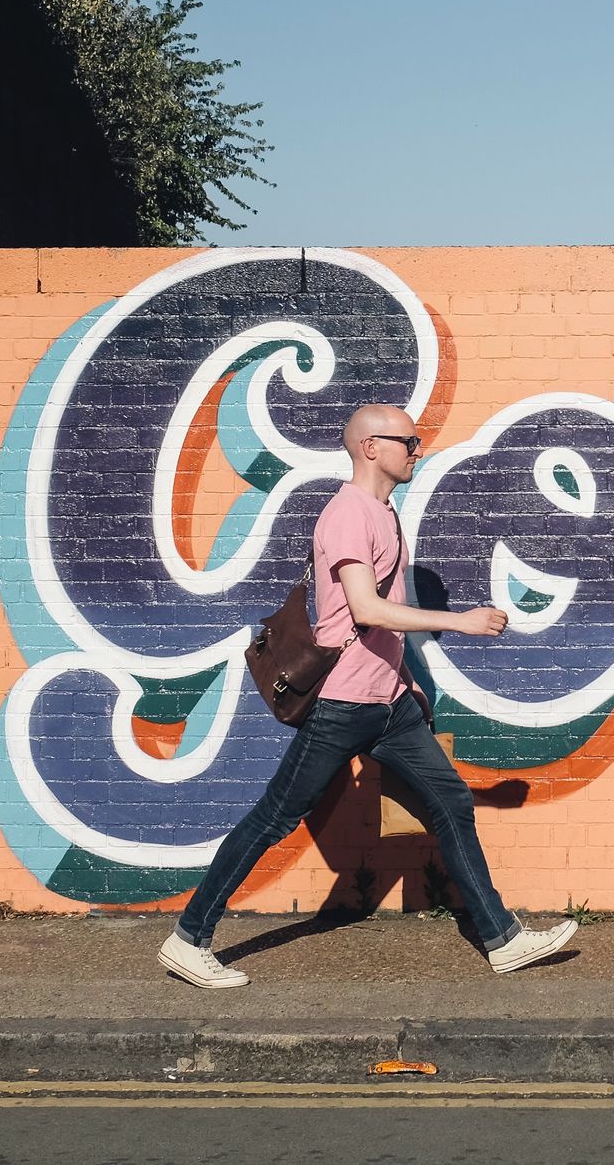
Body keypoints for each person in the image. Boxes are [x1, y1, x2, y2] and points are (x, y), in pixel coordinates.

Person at [157, 403, 578, 988]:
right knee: (276, 817)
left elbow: (377, 624)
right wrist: (460, 622)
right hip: (343, 703)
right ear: (370, 447)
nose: (418, 450)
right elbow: (365, 609)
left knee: (450, 801)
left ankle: (501, 939)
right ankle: (189, 937)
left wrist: (401, 680)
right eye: (409, 441)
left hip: (388, 705)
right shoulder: (347, 514)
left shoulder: (384, 513)